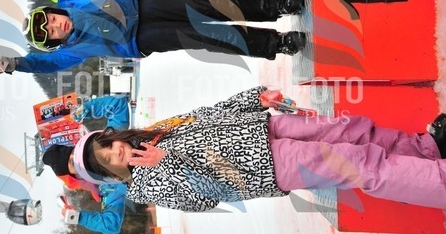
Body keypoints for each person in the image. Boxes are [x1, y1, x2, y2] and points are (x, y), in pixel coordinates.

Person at [70, 86, 446, 211]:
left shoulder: (153, 133)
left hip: (264, 127)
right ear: (109, 174)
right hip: (266, 166)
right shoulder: (145, 185)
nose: (116, 153)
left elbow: (207, 114)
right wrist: (167, 162)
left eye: (108, 146)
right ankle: (437, 182)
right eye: (107, 161)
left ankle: (426, 149)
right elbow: (204, 199)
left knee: (353, 131)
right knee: (357, 164)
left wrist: (254, 99)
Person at [0, 0, 306, 75]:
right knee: (205, 36)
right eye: (50, 33)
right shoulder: (72, 51)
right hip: (141, 39)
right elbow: (43, 65)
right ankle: (276, 43)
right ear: (55, 43)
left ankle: (273, 4)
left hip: (141, 7)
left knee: (206, 5)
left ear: (54, 12)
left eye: (49, 20)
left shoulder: (70, 4)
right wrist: (14, 64)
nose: (55, 26)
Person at [42, 95, 130, 233]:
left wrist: (86, 109)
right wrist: (79, 217)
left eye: (73, 152)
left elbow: (117, 106)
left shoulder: (111, 140)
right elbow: (111, 225)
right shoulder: (109, 187)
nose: (77, 158)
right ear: (77, 177)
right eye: (73, 163)